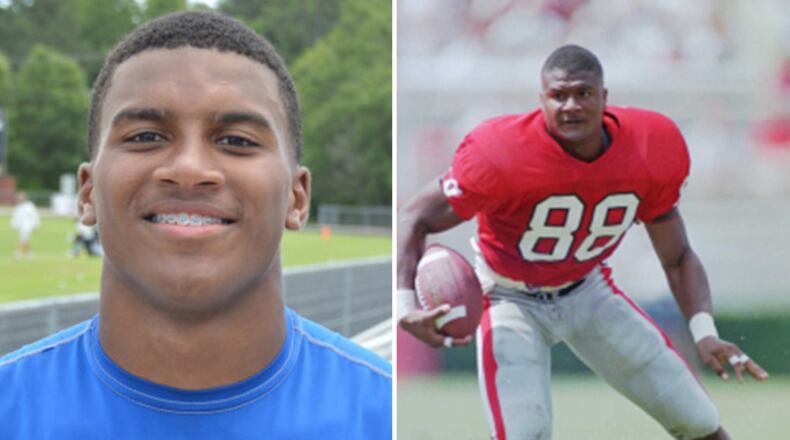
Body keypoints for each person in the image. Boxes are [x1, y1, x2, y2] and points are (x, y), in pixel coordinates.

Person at [0, 11, 391, 439]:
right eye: (146, 136)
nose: (188, 169)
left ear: (296, 198)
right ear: (87, 192)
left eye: (236, 141)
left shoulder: (386, 415)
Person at [397, 44, 768, 440]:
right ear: (542, 101)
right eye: (559, 95)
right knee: (524, 432)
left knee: (697, 419)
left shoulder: (649, 146)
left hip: (587, 290)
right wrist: (404, 305)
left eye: (583, 93)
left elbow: (677, 256)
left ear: (604, 98)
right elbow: (415, 215)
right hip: (507, 298)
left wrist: (704, 331)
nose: (571, 105)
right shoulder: (500, 152)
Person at [10, 191, 40, 260]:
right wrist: (14, 225)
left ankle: (18, 253)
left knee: (23, 240)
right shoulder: (18, 207)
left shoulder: (30, 206)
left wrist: (35, 225)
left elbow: (34, 216)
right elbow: (15, 217)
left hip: (28, 226)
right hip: (21, 226)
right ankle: (30, 253)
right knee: (24, 240)